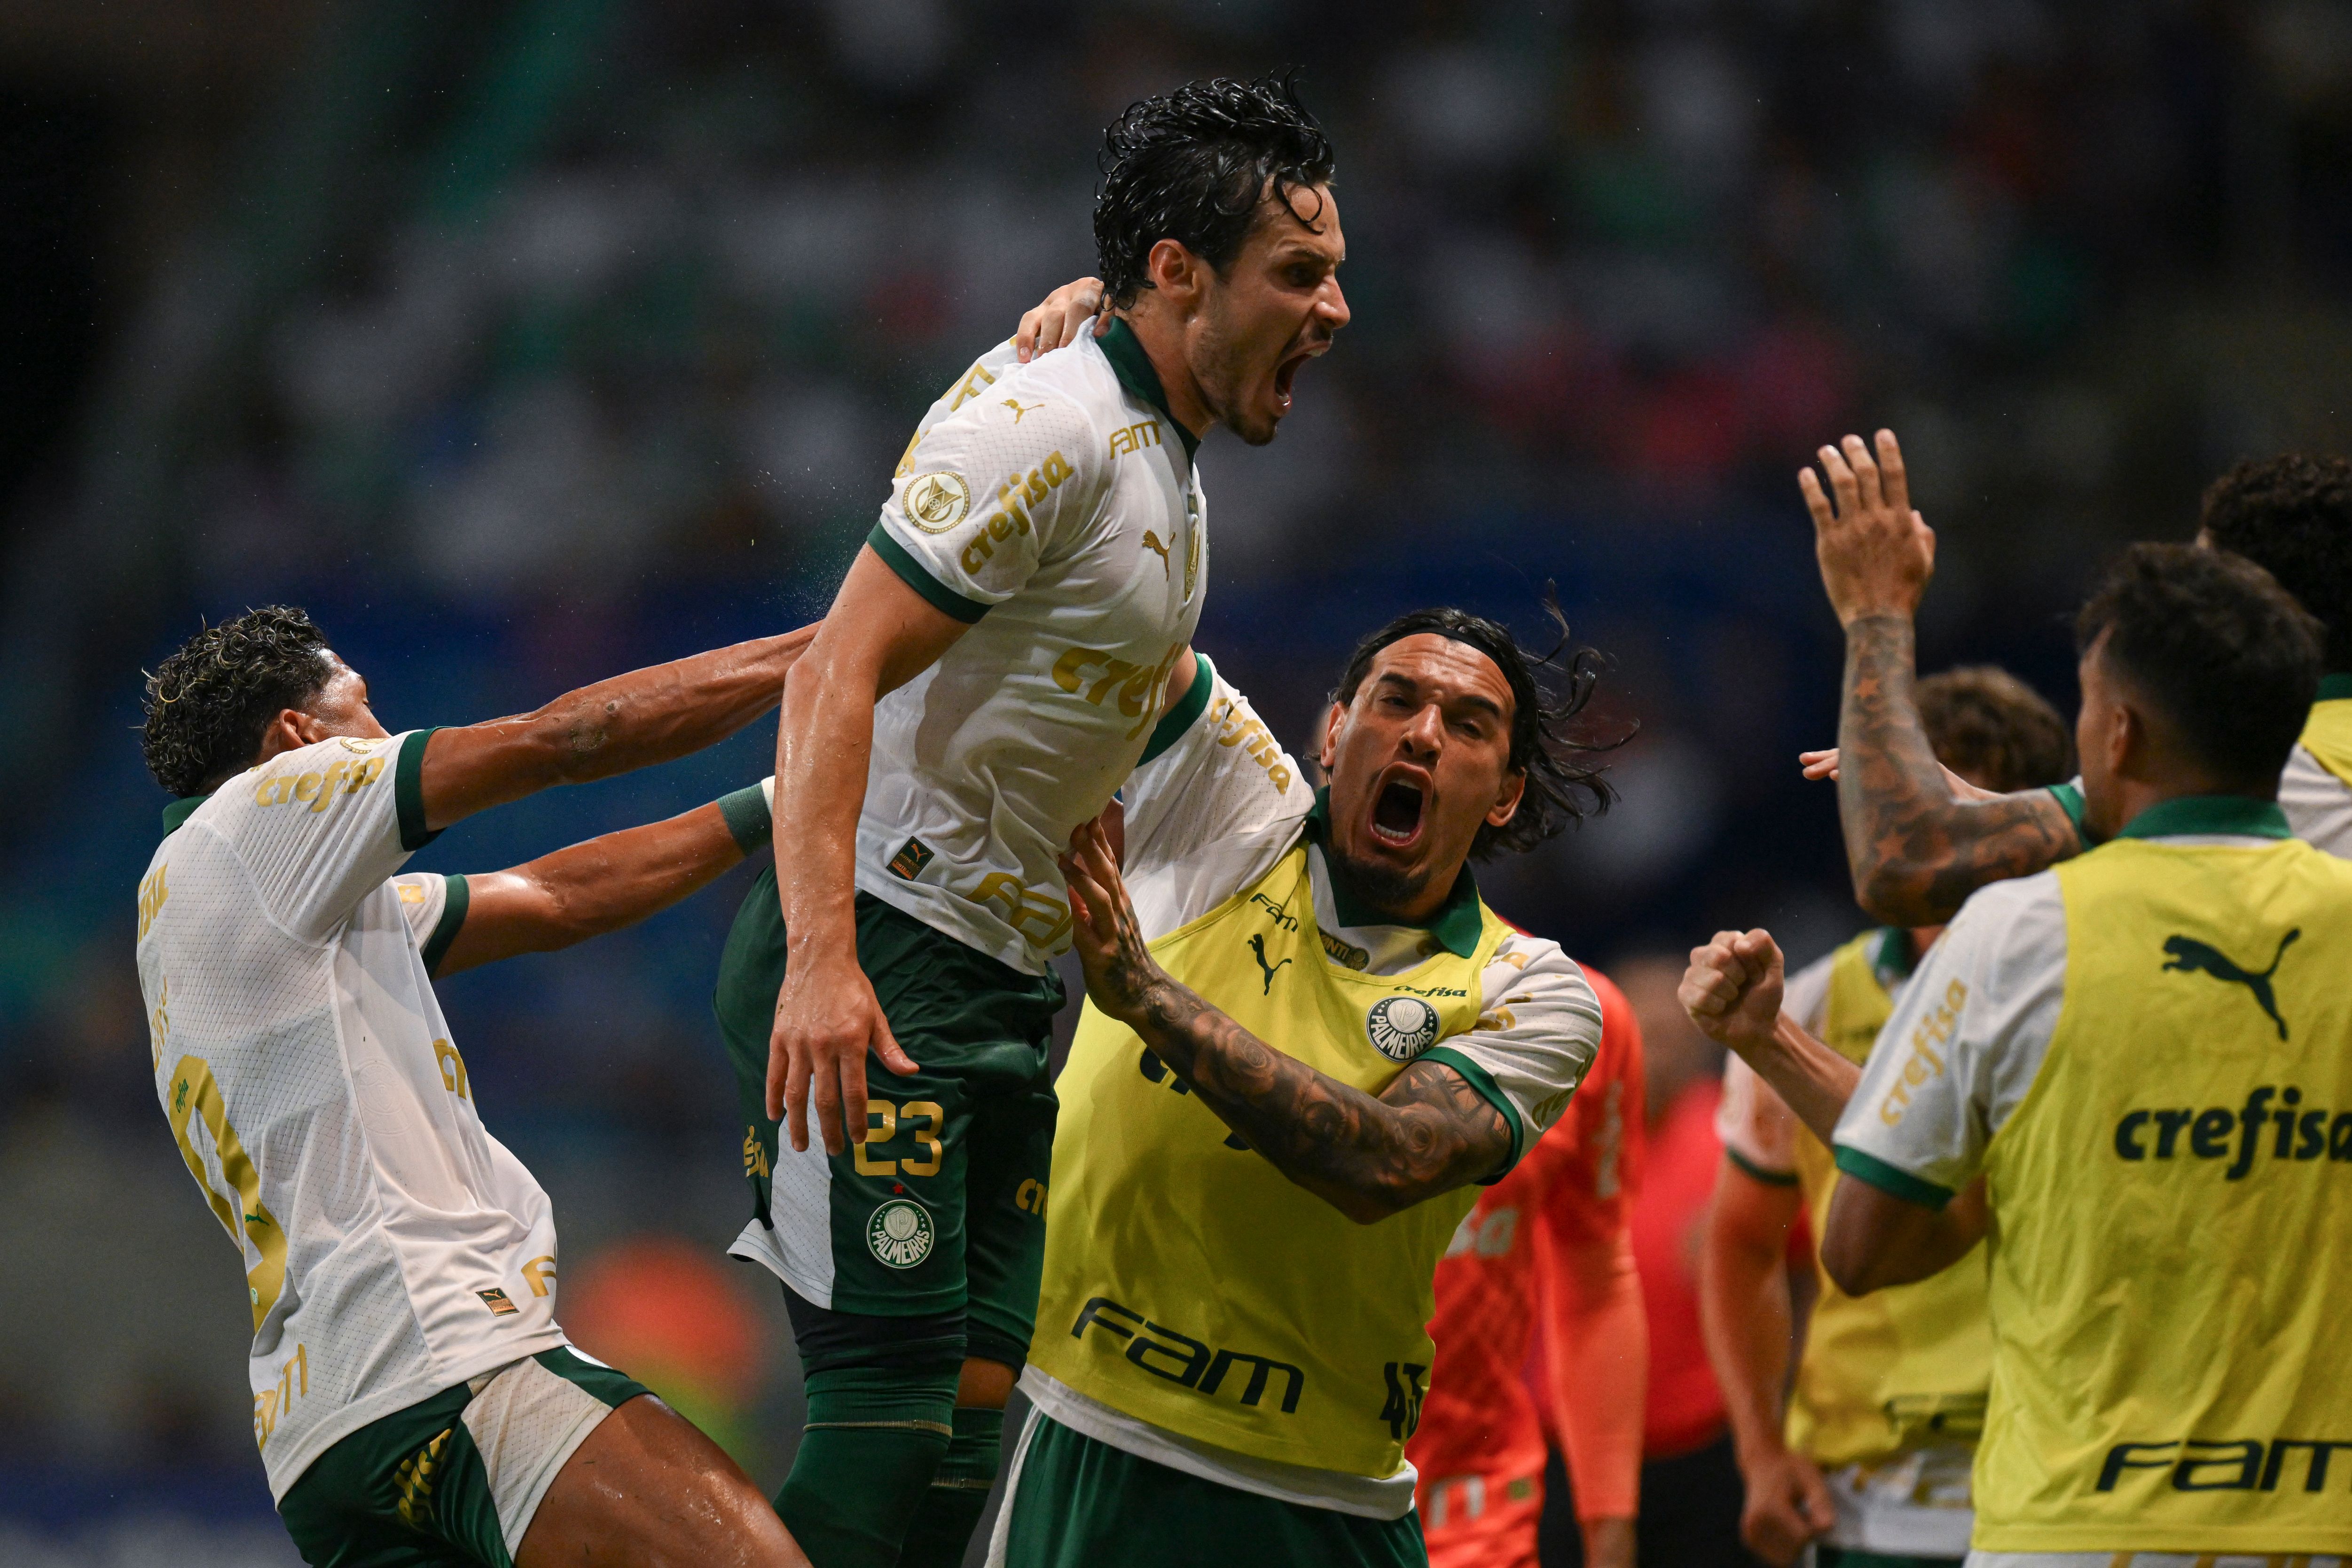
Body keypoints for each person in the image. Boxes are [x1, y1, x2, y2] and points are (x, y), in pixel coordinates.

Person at [715, 75, 1352, 1568]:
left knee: (957, 1461)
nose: (1332, 312)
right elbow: (832, 671)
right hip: (879, 957)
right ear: (1182, 273)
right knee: (879, 1448)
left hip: (1002, 990)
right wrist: (822, 957)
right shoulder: (1047, 420)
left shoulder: (1159, 448)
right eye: (1301, 274)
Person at [1683, 543, 2352, 1564]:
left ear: (2118, 734)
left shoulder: (2021, 933)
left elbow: (1869, 1246)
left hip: (2079, 1520)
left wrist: (1772, 1044)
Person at [133, 606, 814, 1568]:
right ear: (293, 738)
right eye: (361, 708)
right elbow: (570, 737)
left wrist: (787, 799)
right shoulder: (263, 823)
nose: (383, 734)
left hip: (327, 1439)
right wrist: (831, 651)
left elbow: (556, 898)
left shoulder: (218, 899)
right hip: (442, 1364)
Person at [989, 609, 1616, 1566]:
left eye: (1470, 724)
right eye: (1395, 701)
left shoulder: (1534, 992)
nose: (1422, 734)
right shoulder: (1229, 806)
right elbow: (1120, 617)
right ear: (1332, 733)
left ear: (1504, 795)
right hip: (1098, 1435)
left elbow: (1383, 1164)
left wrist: (1147, 997)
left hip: (1327, 1497)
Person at [1702, 668, 2072, 1568]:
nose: (1906, 839)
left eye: (1934, 811)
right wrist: (1758, 1451)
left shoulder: (2074, 987)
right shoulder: (1814, 998)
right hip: (1863, 1501)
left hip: (2054, 1474)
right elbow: (1741, 1241)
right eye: (1887, 807)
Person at [1797, 441, 2352, 930]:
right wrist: (1991, 807)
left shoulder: (2284, 769)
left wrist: (1876, 611)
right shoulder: (2319, 768)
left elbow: (1909, 860)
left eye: (2204, 589)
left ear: (2261, 618)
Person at [1411, 964, 1647, 1568]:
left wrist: (1611, 1537)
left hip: (1475, 1516)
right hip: (1280, 1497)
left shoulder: (1573, 1012)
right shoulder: (1255, 977)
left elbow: (1598, 1279)